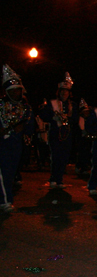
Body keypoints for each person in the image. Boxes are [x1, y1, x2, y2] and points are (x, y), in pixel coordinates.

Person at [1, 65, 34, 212]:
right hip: (2, 143)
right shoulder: (1, 106)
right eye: (12, 91)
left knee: (10, 173)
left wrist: (24, 128)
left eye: (17, 90)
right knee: (2, 173)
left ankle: (5, 198)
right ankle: (6, 200)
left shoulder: (26, 108)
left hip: (16, 145)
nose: (15, 93)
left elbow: (31, 127)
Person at [38, 72, 79, 188]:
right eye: (62, 91)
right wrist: (53, 118)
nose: (64, 93)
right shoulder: (52, 103)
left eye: (66, 91)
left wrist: (68, 119)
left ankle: (60, 179)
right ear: (59, 92)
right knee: (55, 156)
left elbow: (76, 119)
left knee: (64, 157)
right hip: (55, 133)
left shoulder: (73, 105)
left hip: (68, 134)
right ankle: (53, 178)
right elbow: (43, 115)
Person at [75, 98, 93, 176]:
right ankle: (81, 167)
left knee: (87, 153)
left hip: (87, 139)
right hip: (82, 139)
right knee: (82, 154)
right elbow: (81, 129)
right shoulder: (80, 119)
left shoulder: (88, 119)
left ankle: (84, 167)